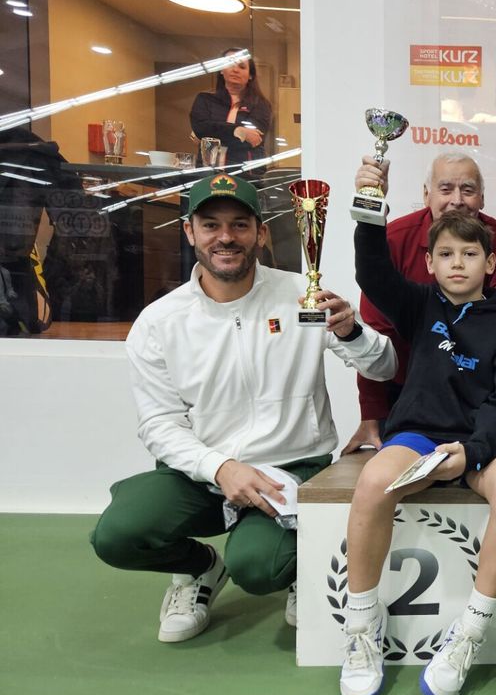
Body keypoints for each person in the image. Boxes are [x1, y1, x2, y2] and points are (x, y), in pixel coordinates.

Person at [89, 173, 396, 644]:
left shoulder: (301, 294)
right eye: (210, 225)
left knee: (256, 567)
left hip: (289, 470)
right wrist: (220, 467)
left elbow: (383, 368)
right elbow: (158, 424)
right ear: (189, 231)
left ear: (262, 232)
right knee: (117, 535)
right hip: (202, 475)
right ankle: (199, 570)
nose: (226, 237)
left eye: (239, 224)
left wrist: (353, 332)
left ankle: (295, 568)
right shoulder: (159, 321)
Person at [339, 209, 496, 695]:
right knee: (373, 482)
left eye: (470, 255)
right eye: (445, 254)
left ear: (490, 262)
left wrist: (471, 451)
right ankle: (361, 626)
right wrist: (368, 208)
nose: (457, 264)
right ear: (428, 262)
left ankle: (468, 634)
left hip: (480, 443)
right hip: (420, 435)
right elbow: (373, 272)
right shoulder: (417, 304)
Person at [343, 152, 496, 454]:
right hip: (411, 400)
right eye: (445, 189)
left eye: (467, 189)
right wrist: (371, 412)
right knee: (379, 478)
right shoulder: (395, 239)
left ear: (482, 197)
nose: (457, 199)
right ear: (426, 194)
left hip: (481, 399)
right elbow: (376, 335)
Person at [189, 48, 272, 167]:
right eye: (230, 64)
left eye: (242, 67)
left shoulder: (261, 104)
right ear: (222, 70)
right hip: (208, 172)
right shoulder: (205, 99)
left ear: (250, 75)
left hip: (246, 174)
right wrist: (237, 130)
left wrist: (211, 135)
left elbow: (253, 139)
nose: (235, 70)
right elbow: (201, 128)